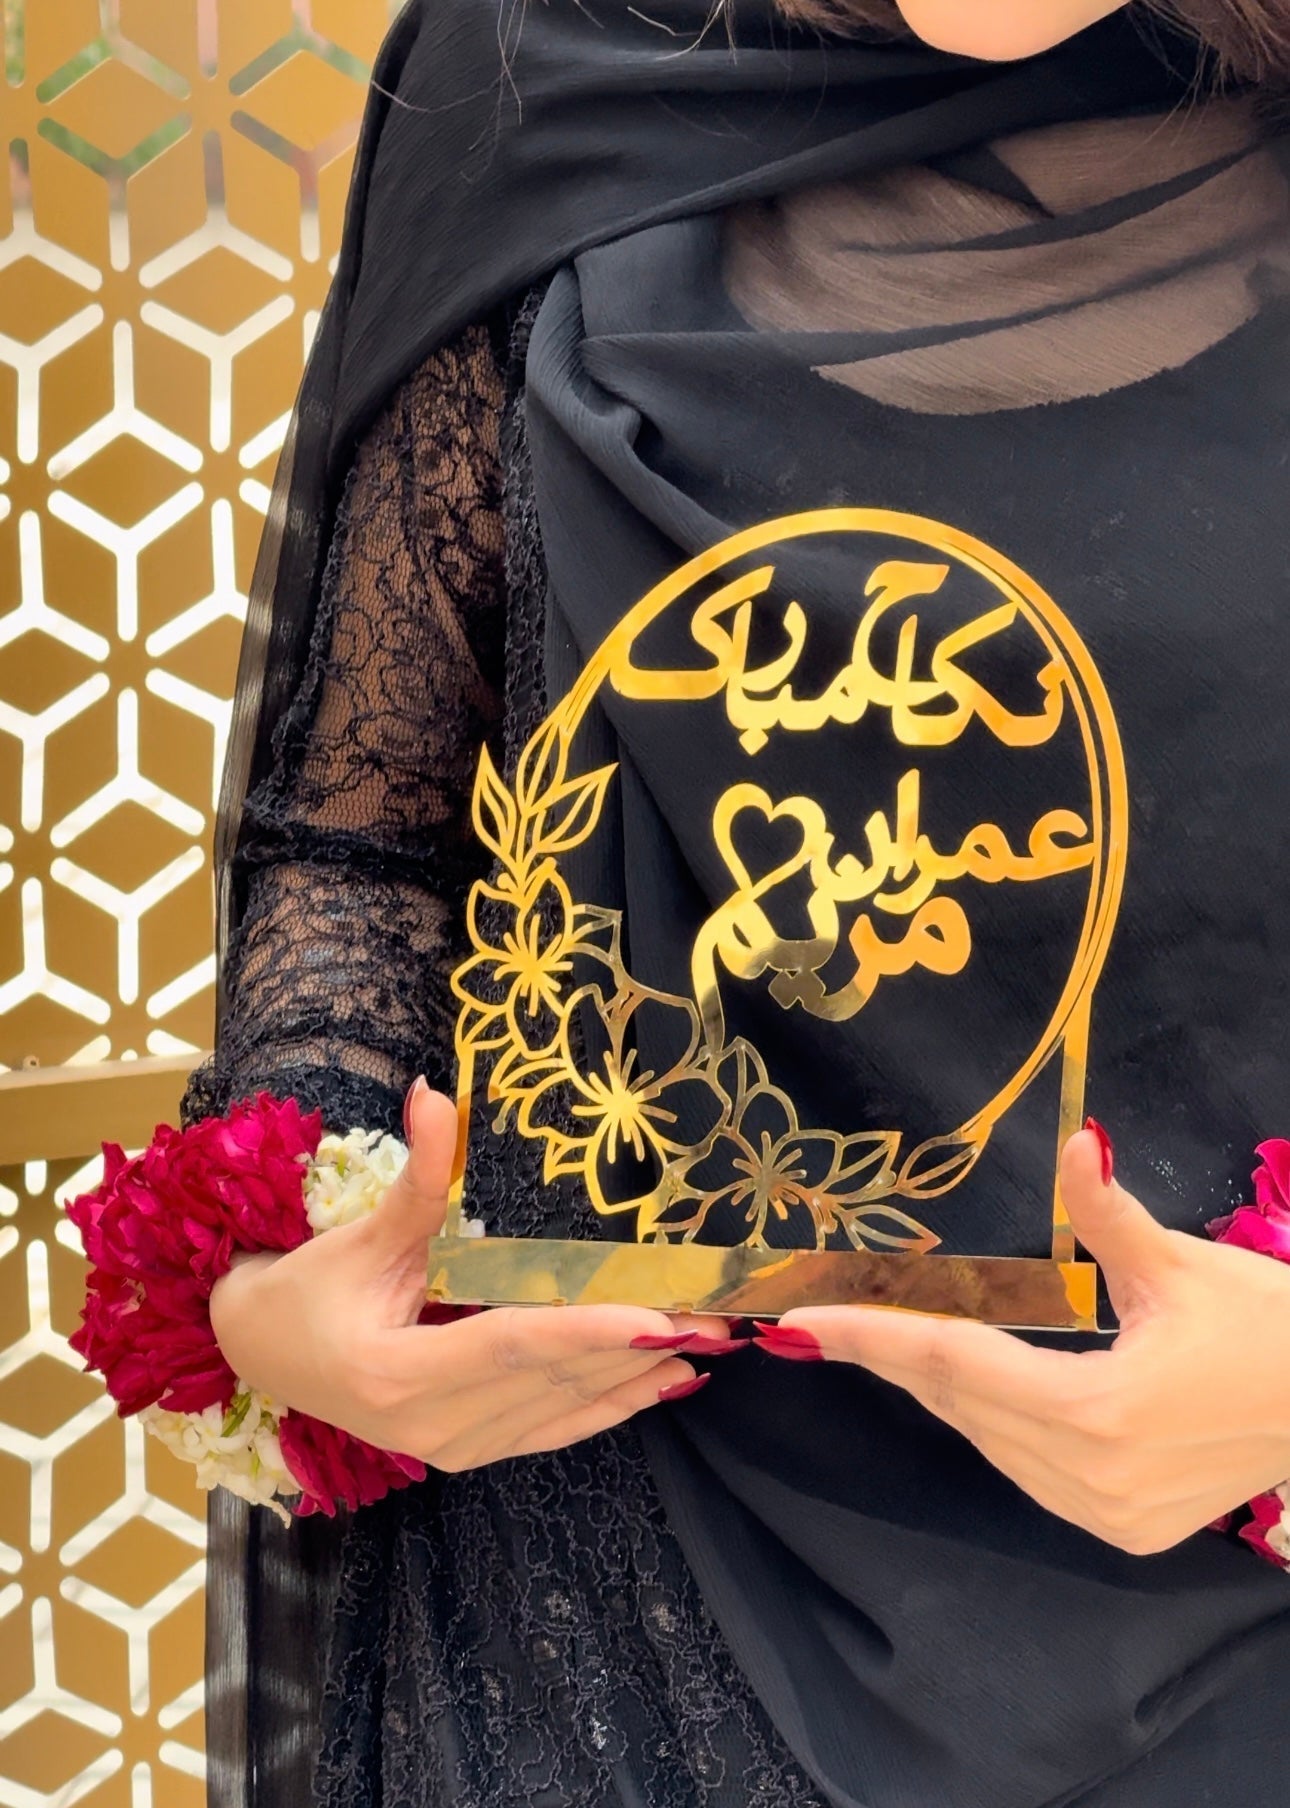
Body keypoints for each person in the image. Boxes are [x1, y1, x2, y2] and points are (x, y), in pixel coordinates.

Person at [183, 1, 1290, 1803]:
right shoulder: (525, 68)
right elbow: (368, 840)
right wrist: (285, 1279)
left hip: (1239, 1612)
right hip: (605, 1607)